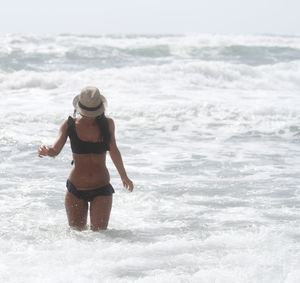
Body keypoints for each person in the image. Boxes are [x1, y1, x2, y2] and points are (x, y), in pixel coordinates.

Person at [38, 86, 133, 231]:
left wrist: (124, 176)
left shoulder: (107, 124)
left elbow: (114, 150)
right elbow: (55, 150)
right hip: (76, 189)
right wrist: (47, 151)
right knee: (77, 236)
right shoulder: (69, 125)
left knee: (100, 237)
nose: (90, 116)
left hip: (102, 188)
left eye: (93, 112)